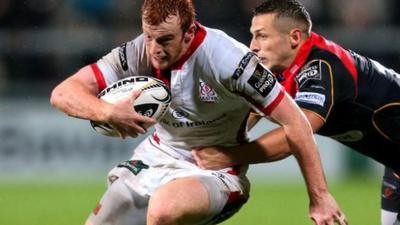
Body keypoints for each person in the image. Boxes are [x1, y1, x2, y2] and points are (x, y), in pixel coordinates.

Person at [50, 0, 346, 224]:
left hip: (214, 171)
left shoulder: (229, 61)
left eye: (165, 39)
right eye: (149, 36)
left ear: (190, 31)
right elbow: (63, 93)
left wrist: (319, 198)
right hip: (156, 157)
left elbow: (295, 122)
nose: (154, 48)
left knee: (164, 210)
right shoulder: (138, 51)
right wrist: (107, 111)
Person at [192, 1, 400, 225]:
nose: (253, 46)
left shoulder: (321, 67)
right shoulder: (275, 74)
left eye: (262, 36)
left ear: (294, 37)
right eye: (252, 36)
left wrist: (228, 156)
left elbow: (297, 135)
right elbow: (243, 116)